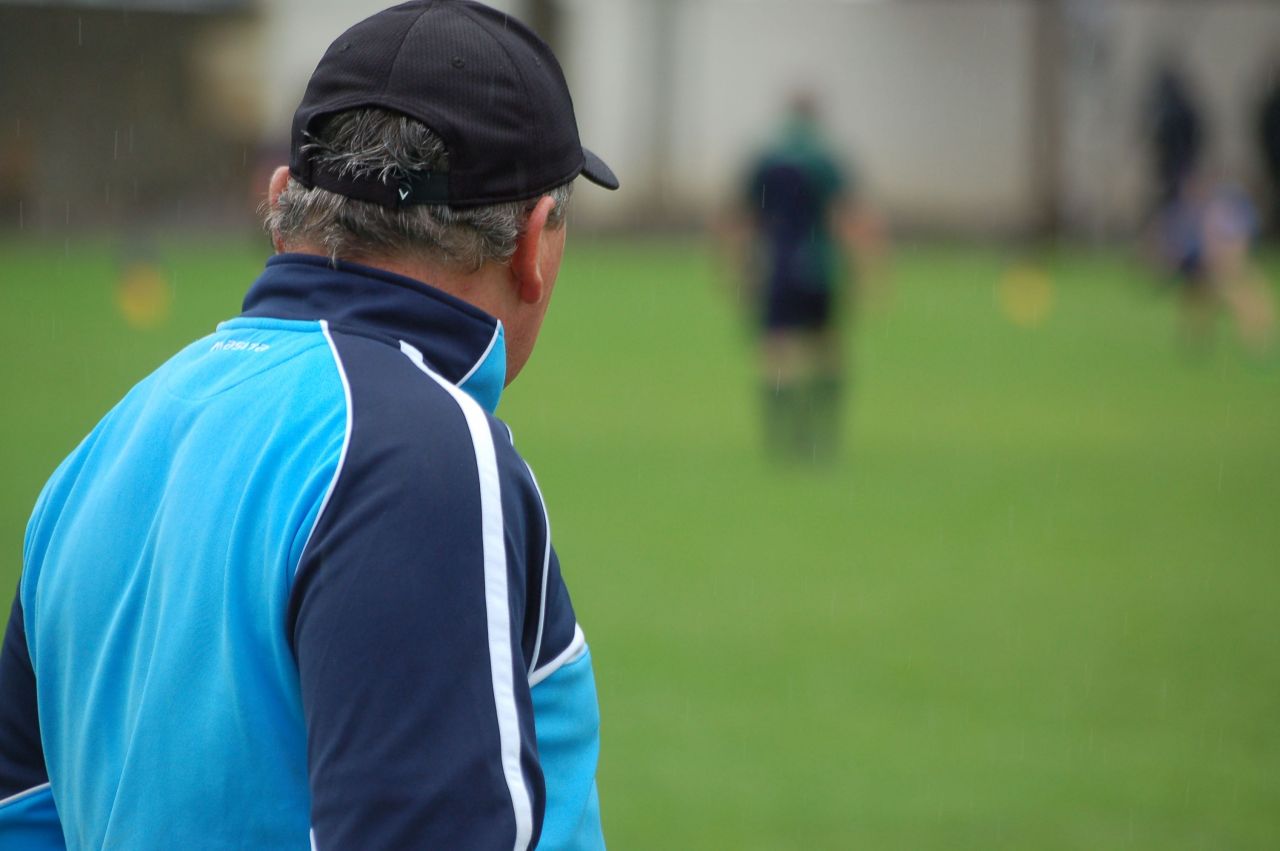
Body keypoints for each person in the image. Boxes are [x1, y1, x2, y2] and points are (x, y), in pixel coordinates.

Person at [0, 2, 618, 849]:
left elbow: (25, 820)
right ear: (534, 247)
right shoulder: (419, 455)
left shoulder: (101, 450)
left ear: (284, 198)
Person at [720, 92, 883, 463]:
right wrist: (865, 272)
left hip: (777, 265)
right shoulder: (825, 159)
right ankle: (819, 433)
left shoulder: (767, 158)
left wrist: (735, 269)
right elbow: (847, 217)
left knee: (776, 349)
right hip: (819, 265)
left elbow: (741, 218)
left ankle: (782, 435)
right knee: (827, 349)